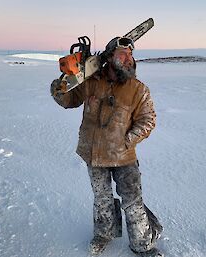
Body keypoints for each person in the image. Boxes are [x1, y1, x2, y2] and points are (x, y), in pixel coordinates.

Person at [50, 37, 163, 257]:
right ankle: (104, 234)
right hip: (93, 153)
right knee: (101, 198)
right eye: (122, 54)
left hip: (124, 156)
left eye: (130, 54)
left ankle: (142, 245)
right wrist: (60, 88)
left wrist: (127, 140)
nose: (129, 58)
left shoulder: (138, 89)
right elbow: (70, 100)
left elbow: (148, 120)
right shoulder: (92, 82)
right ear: (109, 57)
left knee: (132, 200)